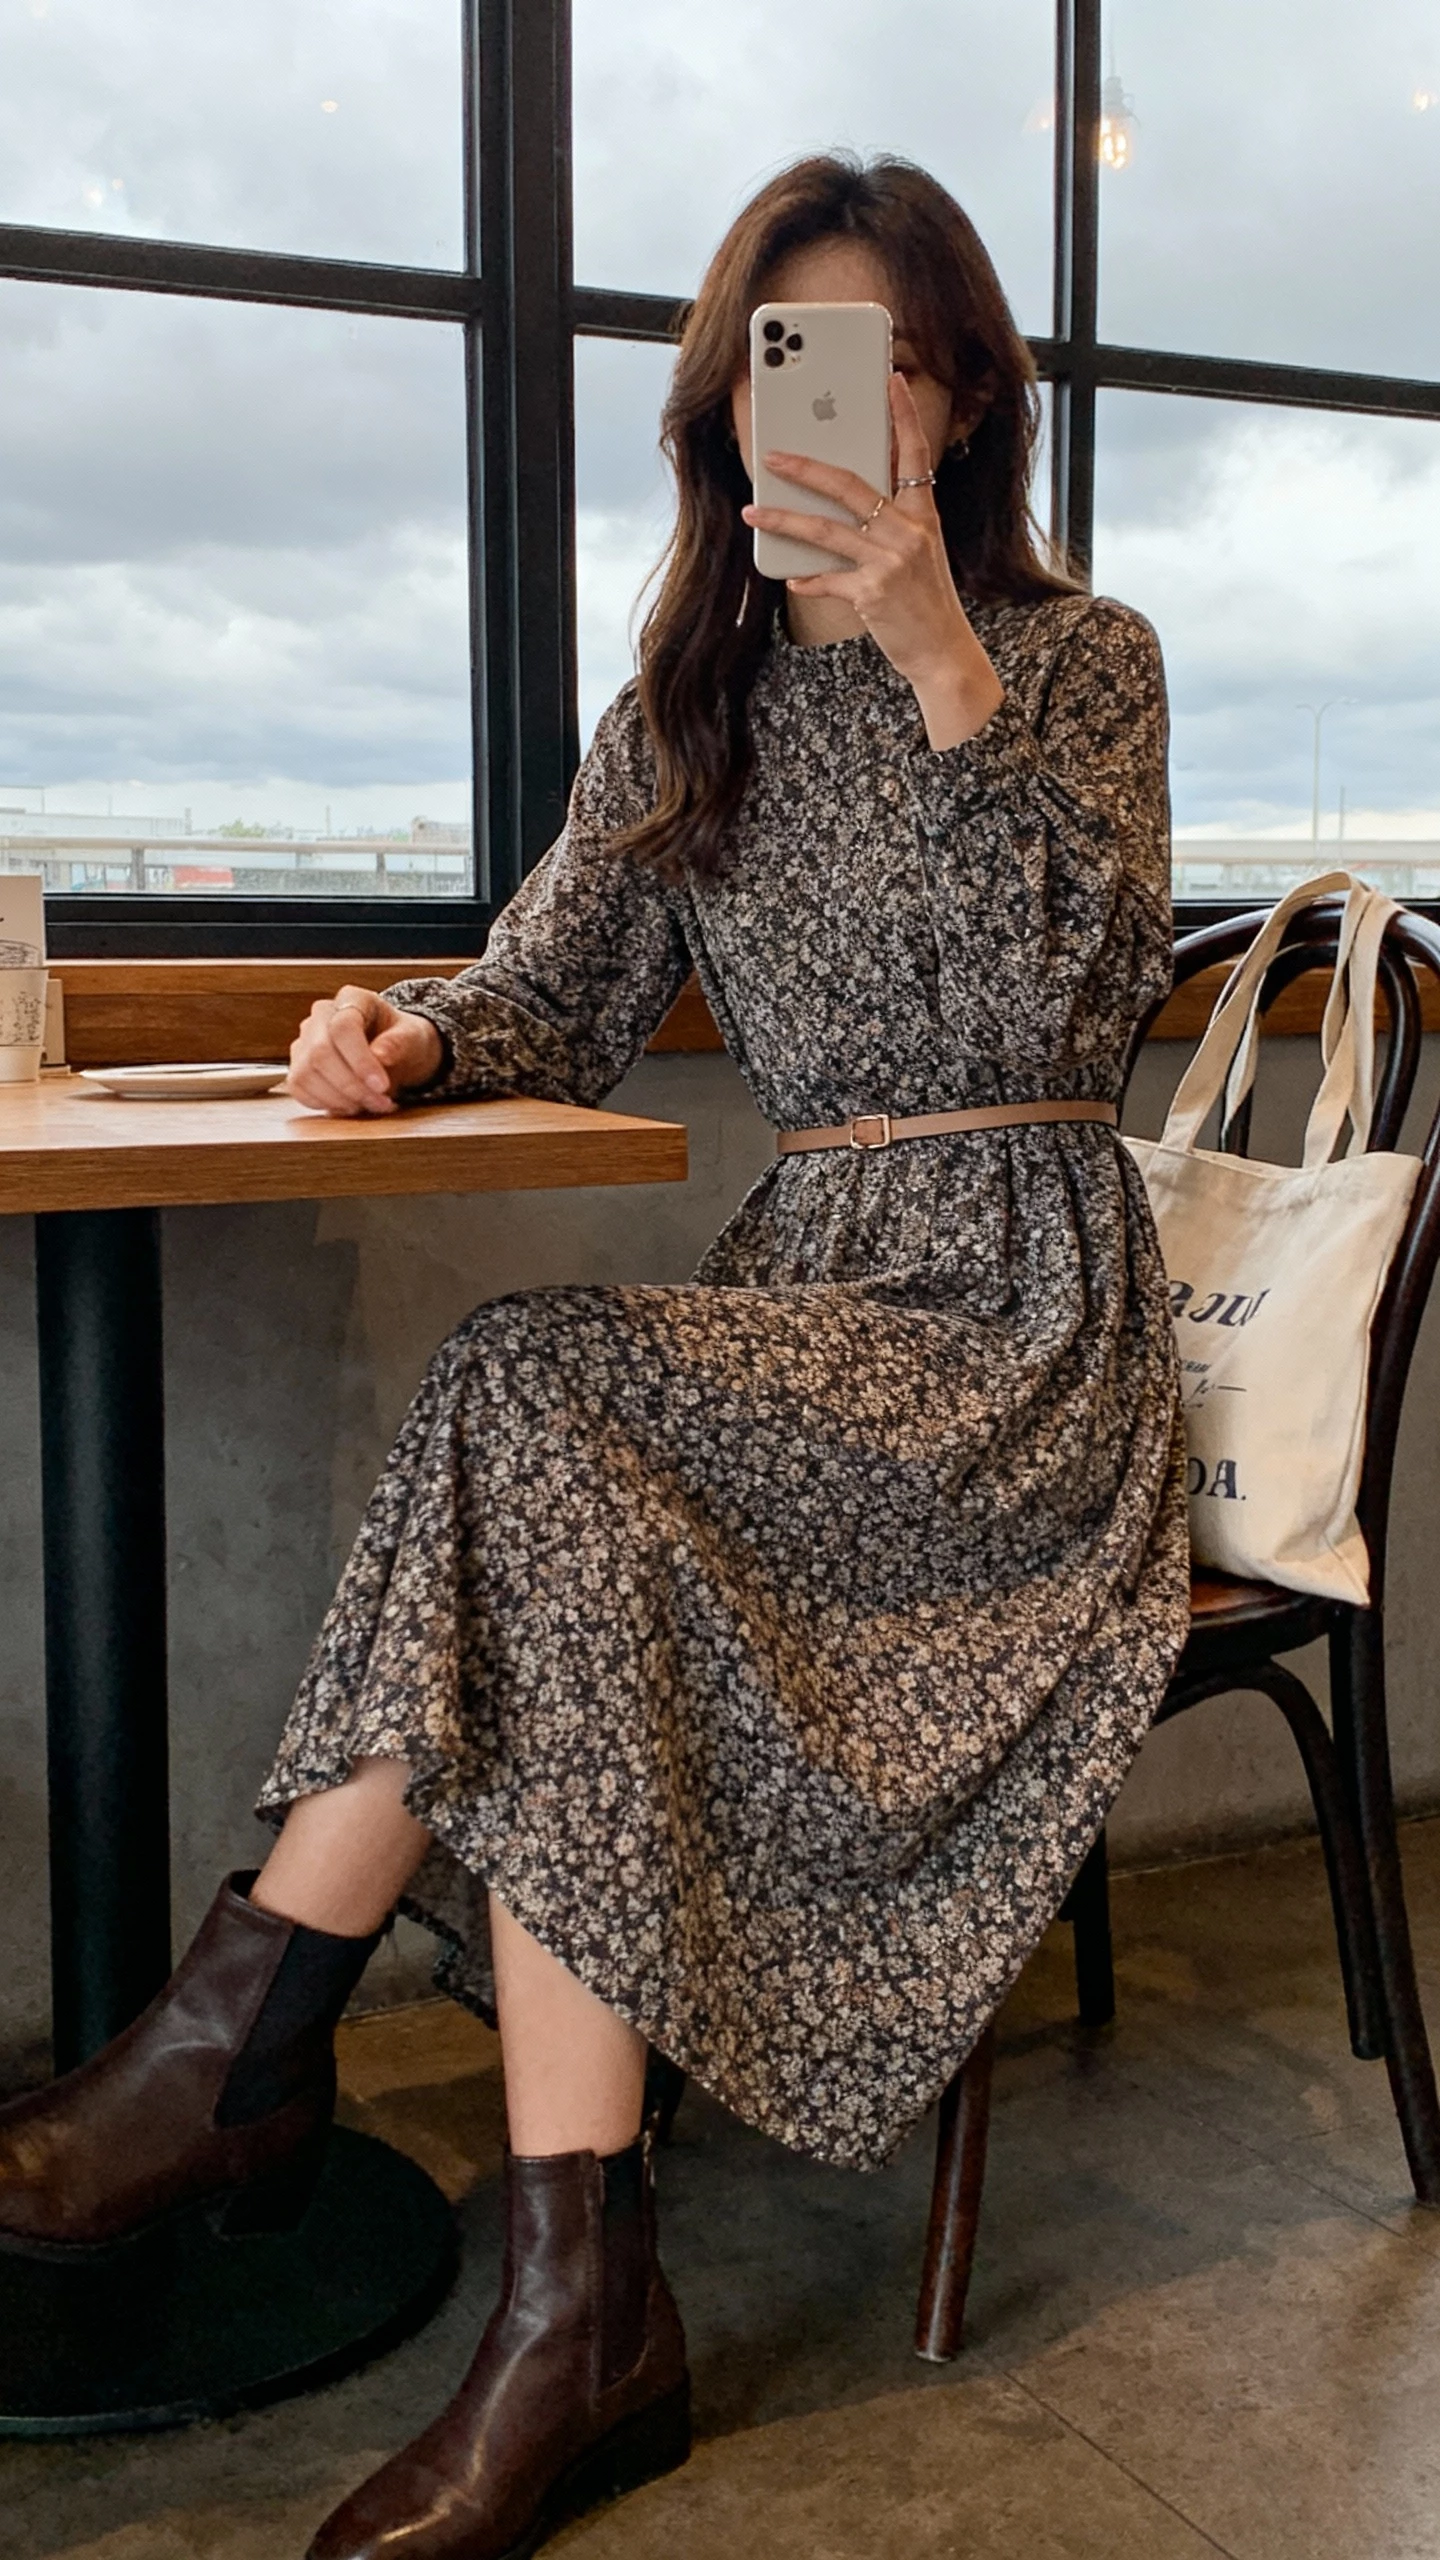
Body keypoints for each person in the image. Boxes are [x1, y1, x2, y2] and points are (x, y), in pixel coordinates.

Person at [0, 154, 1189, 2558]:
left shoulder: (1082, 657)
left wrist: (943, 653)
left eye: (883, 362)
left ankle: (244, 2041)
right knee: (562, 1475)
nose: (835, 414)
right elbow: (545, 985)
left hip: (1030, 1320)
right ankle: (573, 2299)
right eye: (786, 364)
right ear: (728, 406)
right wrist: (393, 1033)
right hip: (810, 1299)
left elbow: (1089, 986)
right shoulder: (692, 705)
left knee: (538, 1394)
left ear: (960, 399)